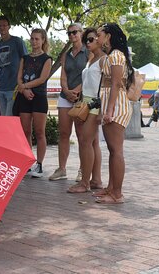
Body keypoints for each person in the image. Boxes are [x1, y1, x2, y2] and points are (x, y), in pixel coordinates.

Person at [94, 23, 133, 205]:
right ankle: (111, 188)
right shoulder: (111, 56)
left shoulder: (116, 55)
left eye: (100, 34)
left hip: (116, 106)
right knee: (112, 150)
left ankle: (117, 194)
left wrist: (109, 111)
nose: (97, 37)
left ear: (108, 36)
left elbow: (116, 84)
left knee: (116, 150)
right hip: (112, 104)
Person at [49, 23, 88, 182]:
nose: (72, 36)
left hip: (82, 96)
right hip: (66, 96)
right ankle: (62, 168)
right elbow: (63, 76)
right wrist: (65, 91)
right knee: (64, 133)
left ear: (81, 33)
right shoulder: (66, 55)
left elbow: (89, 76)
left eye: (75, 32)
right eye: (69, 33)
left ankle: (83, 170)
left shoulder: (88, 52)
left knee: (81, 135)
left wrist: (77, 91)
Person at [67, 28, 103, 193]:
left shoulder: (104, 59)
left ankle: (85, 183)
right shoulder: (91, 59)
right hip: (86, 102)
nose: (87, 43)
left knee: (85, 142)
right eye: (86, 40)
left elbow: (109, 85)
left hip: (95, 103)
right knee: (92, 142)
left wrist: (103, 108)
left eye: (91, 39)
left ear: (99, 39)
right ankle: (95, 180)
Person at [14, 29, 52, 178]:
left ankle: (40, 164)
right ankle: (28, 162)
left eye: (37, 39)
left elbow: (42, 79)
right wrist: (23, 90)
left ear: (43, 40)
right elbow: (19, 78)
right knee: (25, 131)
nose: (34, 42)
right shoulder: (24, 58)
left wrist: (25, 86)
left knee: (39, 132)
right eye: (32, 39)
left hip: (39, 97)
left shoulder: (47, 59)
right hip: (24, 96)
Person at [0, 16, 27, 116]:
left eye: (4, 25)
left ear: (9, 27)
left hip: (14, 86)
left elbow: (25, 60)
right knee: (3, 118)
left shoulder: (17, 41)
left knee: (9, 116)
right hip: (1, 86)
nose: (2, 28)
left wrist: (22, 83)